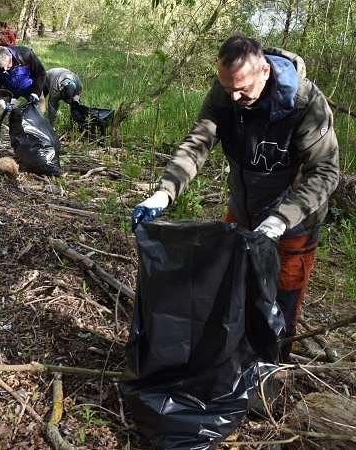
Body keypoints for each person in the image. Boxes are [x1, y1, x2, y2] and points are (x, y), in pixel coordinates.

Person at [132, 33, 340, 361]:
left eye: (243, 88)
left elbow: (325, 173)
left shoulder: (305, 103)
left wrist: (282, 218)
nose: (235, 96)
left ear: (265, 72)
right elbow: (198, 143)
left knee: (281, 299)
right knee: (233, 284)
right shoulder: (226, 92)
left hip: (294, 222)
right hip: (244, 210)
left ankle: (272, 366)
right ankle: (231, 362)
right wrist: (164, 192)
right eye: (229, 88)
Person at [0, 45, 46, 156]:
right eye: (1, 67)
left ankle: (37, 153)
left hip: (30, 88)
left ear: (10, 56)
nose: (4, 69)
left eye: (7, 65)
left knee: (38, 117)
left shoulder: (26, 54)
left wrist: (36, 93)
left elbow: (41, 73)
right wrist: (0, 100)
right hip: (7, 90)